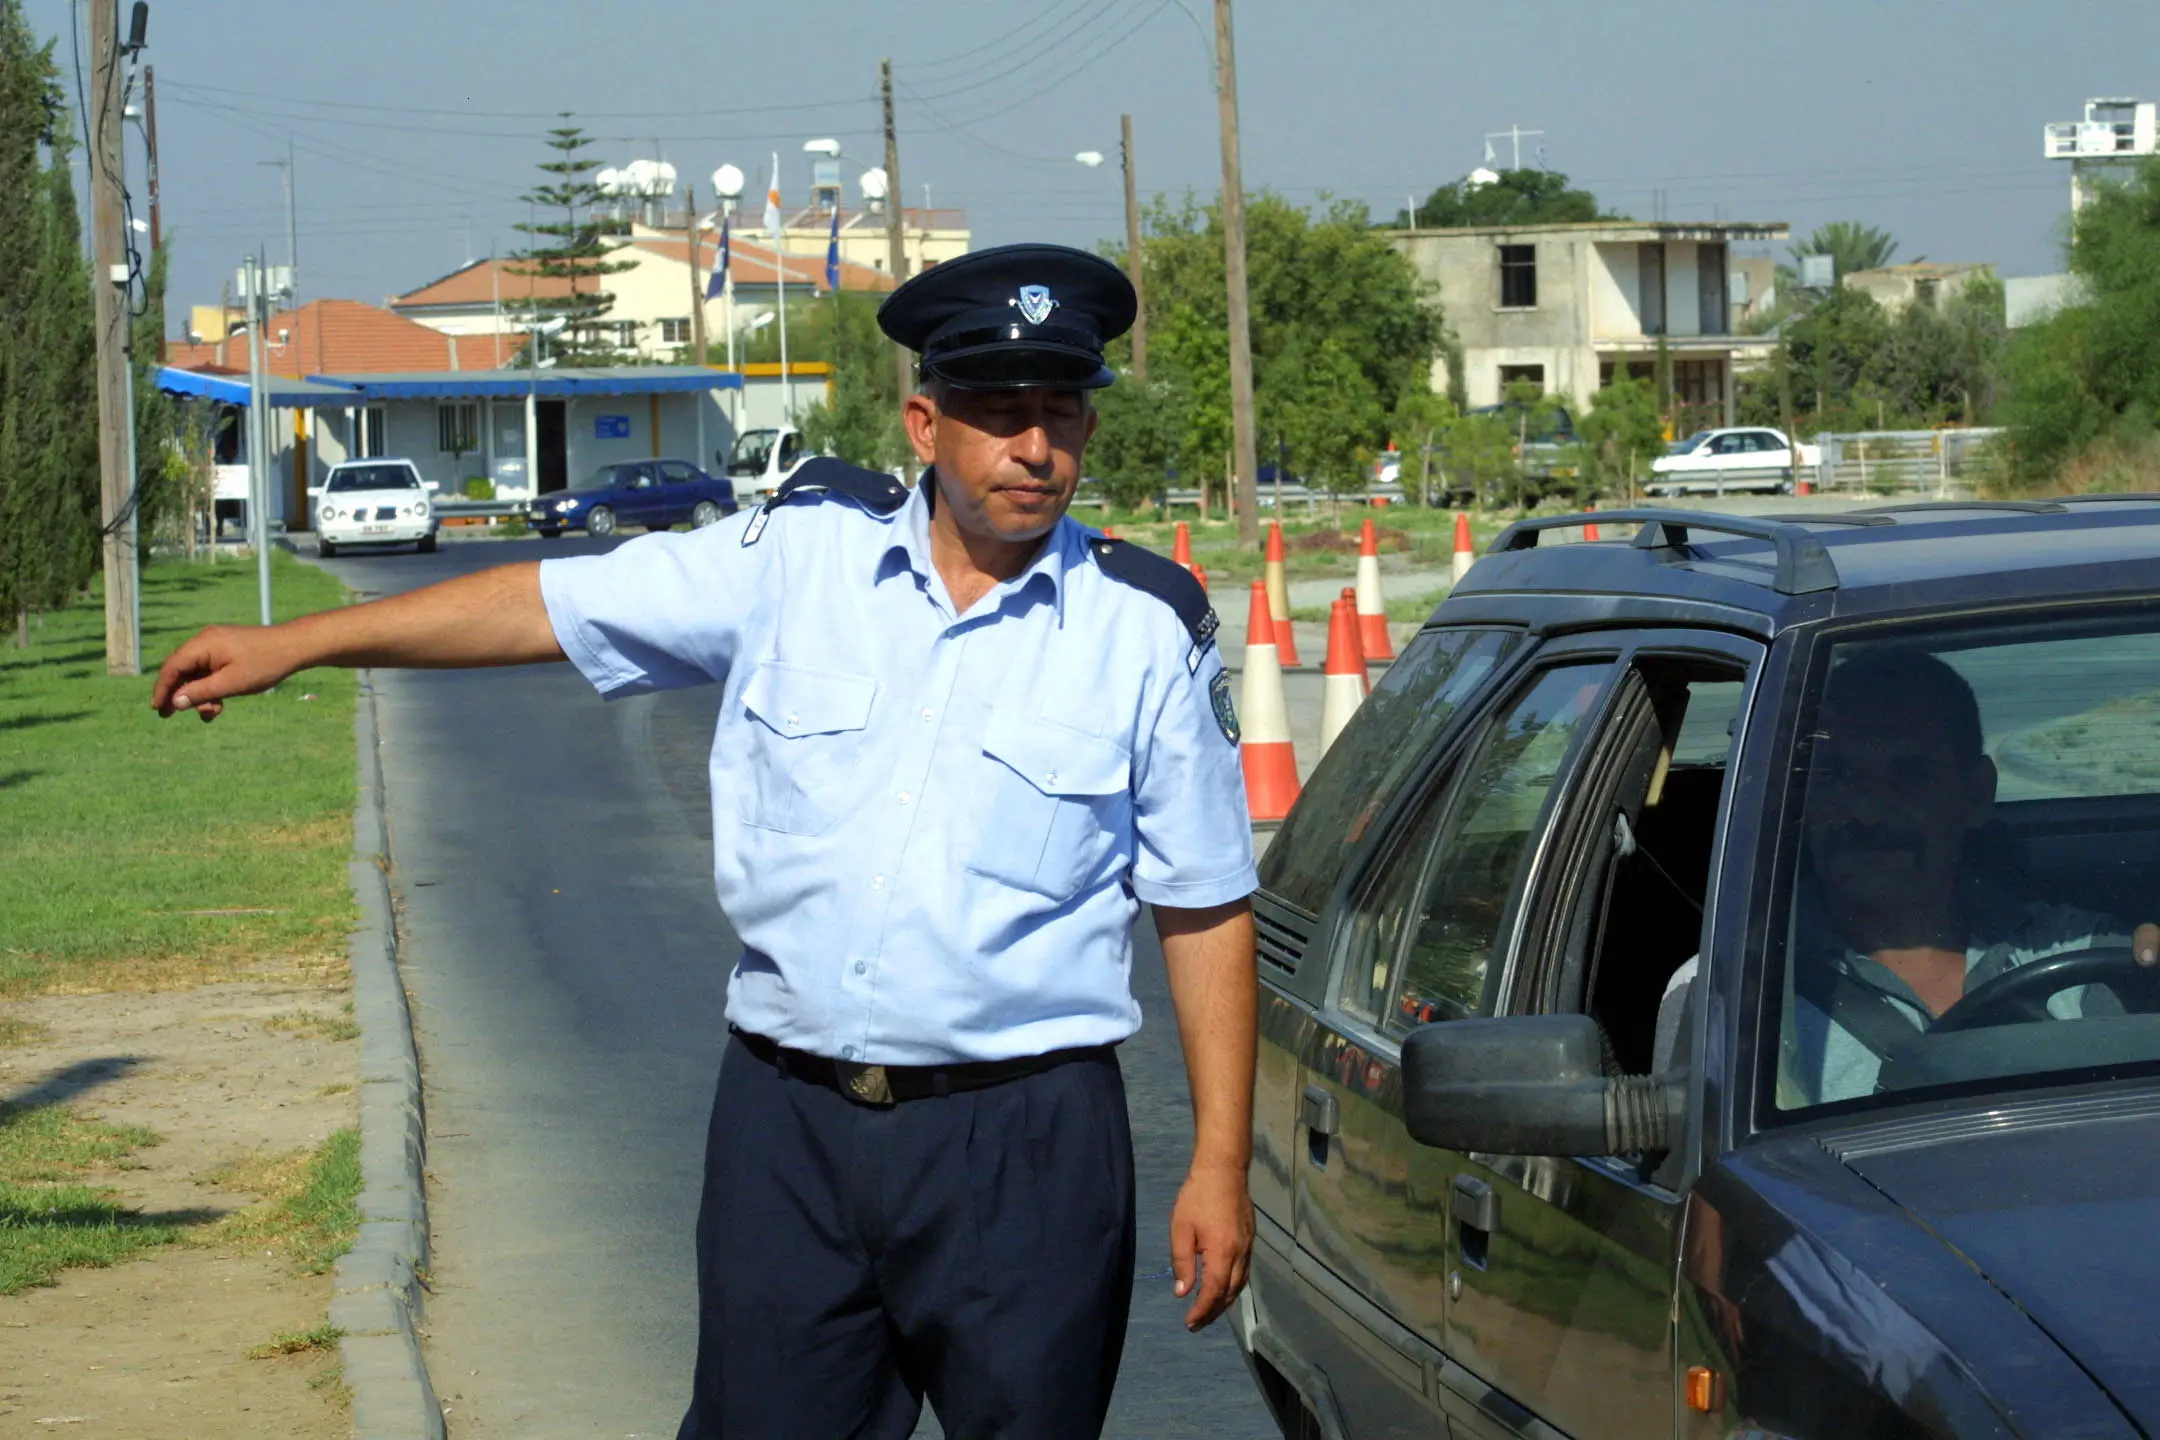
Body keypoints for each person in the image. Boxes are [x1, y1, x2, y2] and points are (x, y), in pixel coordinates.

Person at [151, 243, 1260, 1440]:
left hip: (1026, 1143)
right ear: (925, 422)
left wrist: (1217, 1161)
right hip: (790, 1132)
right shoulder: (795, 558)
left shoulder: (1145, 629)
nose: (1035, 448)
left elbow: (1204, 904)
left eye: (1062, 413)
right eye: (999, 414)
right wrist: (302, 643)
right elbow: (550, 603)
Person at [1651, 649, 2157, 1095]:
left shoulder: (2085, 957)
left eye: (1911, 775)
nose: (1868, 811)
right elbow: (1708, 1194)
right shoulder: (1731, 990)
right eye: (1836, 774)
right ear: (1799, 797)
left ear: (1976, 794)